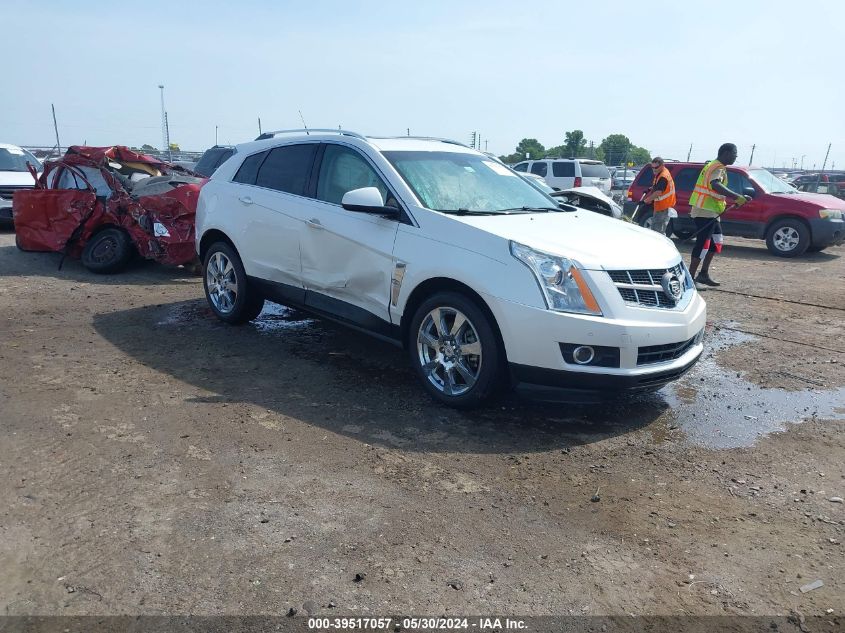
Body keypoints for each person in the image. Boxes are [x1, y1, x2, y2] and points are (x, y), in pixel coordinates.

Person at [687, 143, 749, 288]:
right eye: (735, 154)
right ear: (726, 153)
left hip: (712, 211)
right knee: (703, 244)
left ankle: (703, 274)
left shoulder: (717, 166)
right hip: (704, 211)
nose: (735, 157)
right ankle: (690, 279)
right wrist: (736, 196)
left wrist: (738, 197)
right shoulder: (717, 167)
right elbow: (715, 184)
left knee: (716, 242)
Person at [641, 157, 676, 235]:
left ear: (662, 165)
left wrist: (645, 200)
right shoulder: (661, 173)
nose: (654, 169)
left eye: (656, 167)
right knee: (657, 228)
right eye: (652, 167)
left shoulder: (663, 176)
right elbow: (658, 186)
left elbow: (658, 192)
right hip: (662, 205)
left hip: (663, 207)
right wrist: (650, 189)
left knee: (657, 231)